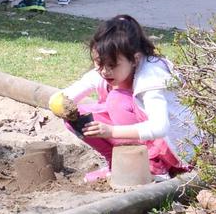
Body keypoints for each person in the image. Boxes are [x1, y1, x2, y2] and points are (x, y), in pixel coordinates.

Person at [54, 15, 199, 183]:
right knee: (76, 116)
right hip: (148, 137)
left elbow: (160, 127)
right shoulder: (105, 70)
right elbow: (66, 96)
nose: (104, 71)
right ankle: (115, 163)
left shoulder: (151, 76)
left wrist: (110, 131)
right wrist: (60, 105)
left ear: (135, 59)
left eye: (111, 65)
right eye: (98, 63)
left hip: (178, 148)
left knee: (117, 100)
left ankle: (152, 165)